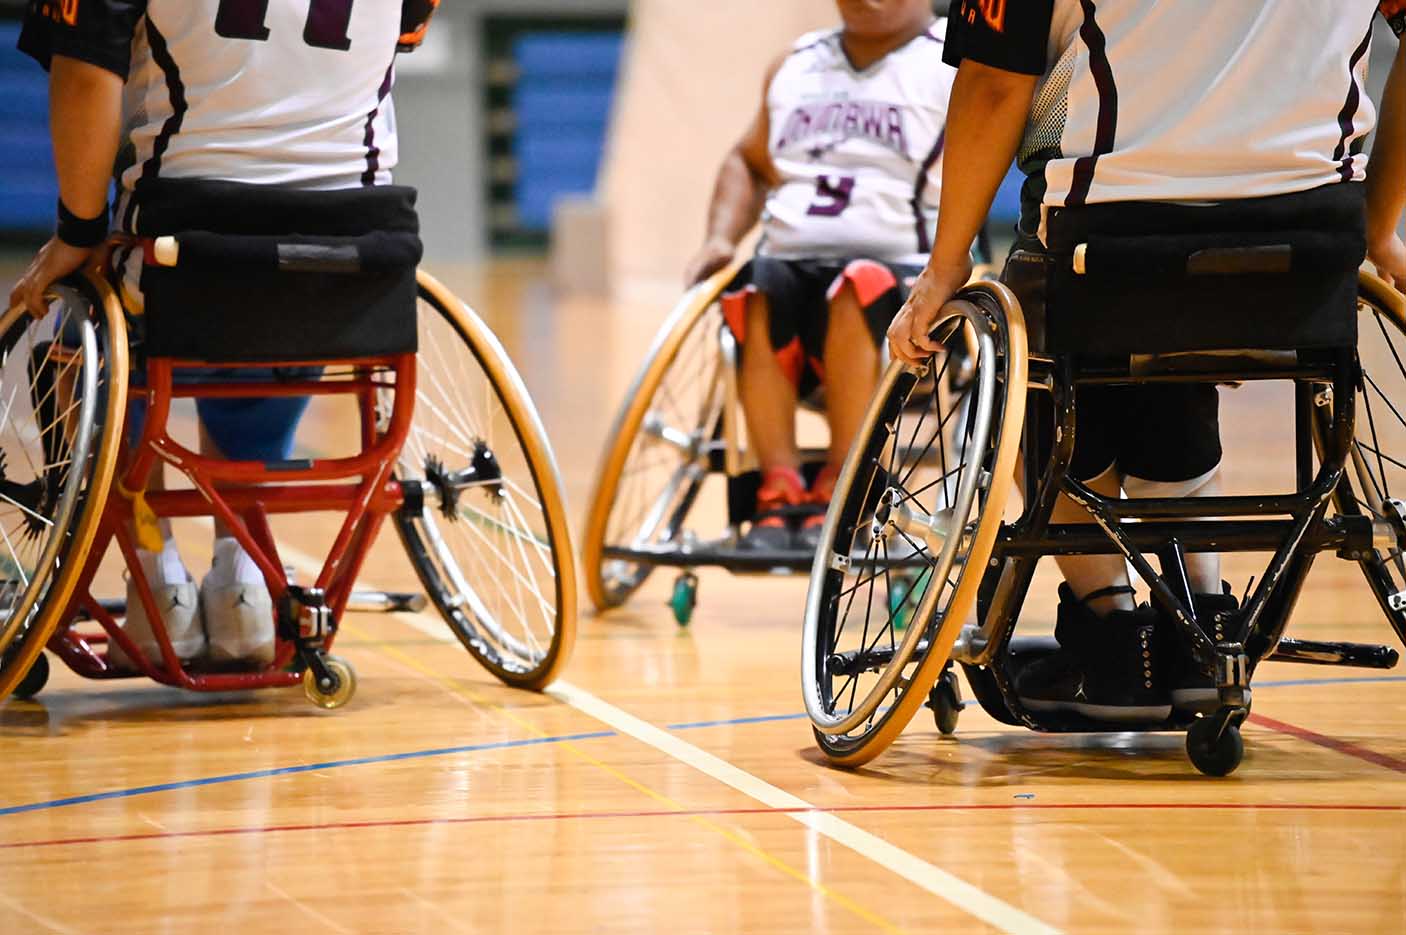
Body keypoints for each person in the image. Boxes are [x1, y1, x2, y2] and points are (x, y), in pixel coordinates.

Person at [886, 0, 1406, 719]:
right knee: (1178, 332)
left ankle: (1111, 628)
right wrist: (1378, 231)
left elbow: (996, 84)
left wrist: (941, 273)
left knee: (1044, 332)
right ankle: (1204, 621)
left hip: (1113, 236)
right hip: (1311, 248)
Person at [9, 0, 439, 668]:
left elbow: (86, 73)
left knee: (67, 336)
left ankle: (159, 576)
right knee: (275, 307)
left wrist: (77, 232)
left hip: (193, 243)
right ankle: (242, 579)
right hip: (355, 253)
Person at [685, 0, 957, 551]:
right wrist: (719, 238)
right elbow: (748, 160)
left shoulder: (960, 63)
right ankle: (780, 490)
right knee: (752, 283)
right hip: (790, 273)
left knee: (857, 284)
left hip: (906, 290)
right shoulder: (796, 61)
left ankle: (845, 491)